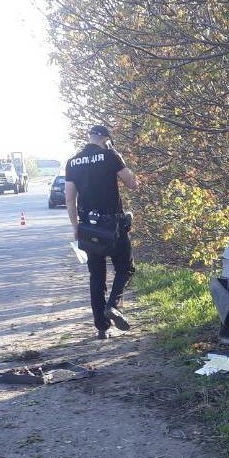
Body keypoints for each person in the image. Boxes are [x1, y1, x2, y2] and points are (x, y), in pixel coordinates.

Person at [64, 125, 139, 340]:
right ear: (106, 139)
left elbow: (69, 199)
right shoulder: (110, 156)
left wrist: (75, 227)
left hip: (88, 227)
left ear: (89, 138)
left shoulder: (72, 162)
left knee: (96, 276)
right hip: (112, 226)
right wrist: (120, 158)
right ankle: (113, 305)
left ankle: (101, 328)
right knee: (126, 268)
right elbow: (132, 183)